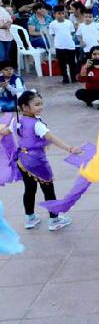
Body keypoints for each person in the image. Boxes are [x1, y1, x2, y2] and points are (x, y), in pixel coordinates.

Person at [0, 91, 81, 231]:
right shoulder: (37, 124)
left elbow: (6, 132)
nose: (41, 107)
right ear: (25, 107)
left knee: (29, 189)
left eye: (41, 103)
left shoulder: (15, 121)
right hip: (37, 161)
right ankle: (54, 220)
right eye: (37, 104)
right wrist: (70, 148)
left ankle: (30, 218)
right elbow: (52, 138)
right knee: (48, 189)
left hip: (22, 160)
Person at [49, 4, 78, 84]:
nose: (61, 15)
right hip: (59, 46)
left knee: (72, 63)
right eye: (59, 13)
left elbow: (72, 32)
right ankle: (65, 78)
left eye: (62, 13)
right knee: (62, 64)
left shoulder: (69, 23)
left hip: (70, 46)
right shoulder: (52, 24)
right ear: (54, 14)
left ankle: (73, 77)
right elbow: (53, 34)